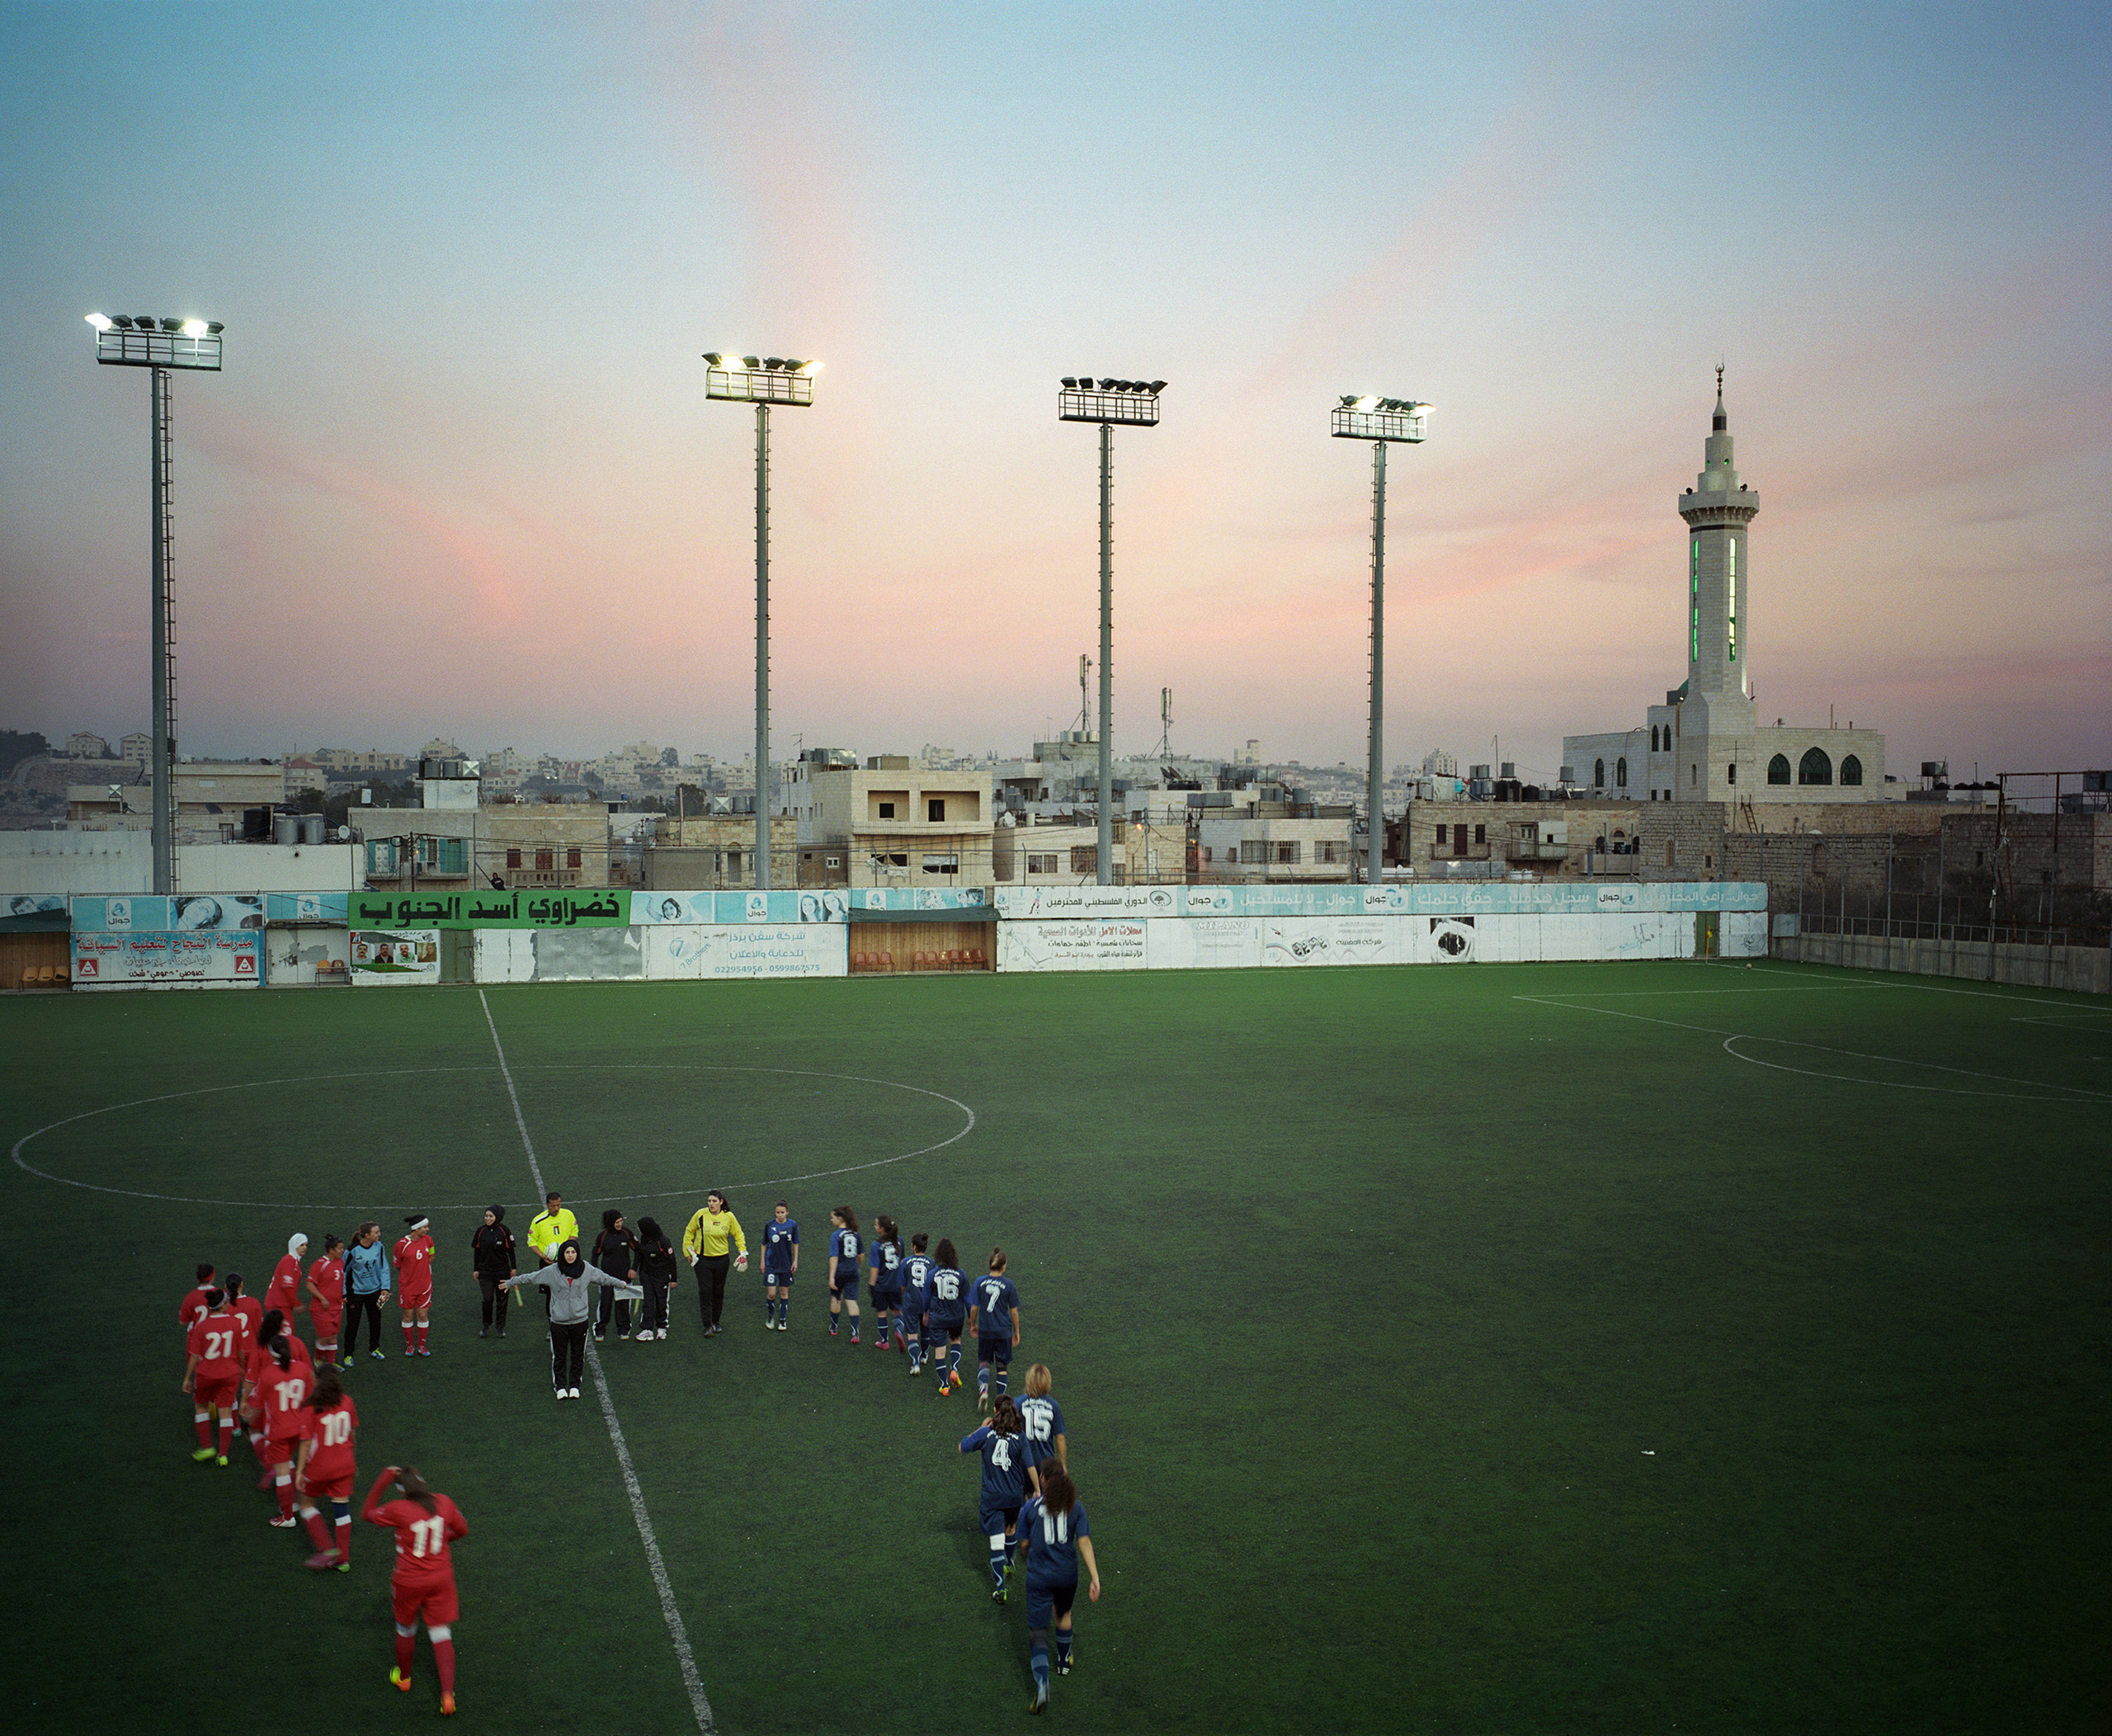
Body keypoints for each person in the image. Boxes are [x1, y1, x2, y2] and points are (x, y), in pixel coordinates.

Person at [362, 1464, 467, 1716]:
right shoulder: (444, 1502)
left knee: (405, 1628)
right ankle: (447, 1695)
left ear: (403, 1490)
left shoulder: (399, 1509)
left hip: (408, 1582)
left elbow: (367, 1513)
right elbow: (462, 1530)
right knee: (441, 1633)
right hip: (441, 1579)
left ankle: (405, 1678)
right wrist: (444, 1541)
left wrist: (384, 1478)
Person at [503, 1238, 641, 1399]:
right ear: (562, 1254)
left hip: (579, 1321)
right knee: (559, 1356)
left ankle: (575, 1385)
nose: (570, 1255)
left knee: (578, 1355)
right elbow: (531, 1277)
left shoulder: (586, 1269)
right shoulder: (552, 1271)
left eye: (573, 1252)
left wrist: (621, 1284)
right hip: (558, 1322)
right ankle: (560, 1386)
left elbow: (604, 1278)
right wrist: (510, 1283)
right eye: (567, 1252)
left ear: (577, 1253)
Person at [1017, 1464, 1101, 1715]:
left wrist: (1026, 1551)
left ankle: (1042, 1685)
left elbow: (1024, 1545)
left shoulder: (1030, 1508)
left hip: (1039, 1577)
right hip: (1067, 1576)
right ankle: (1064, 1661)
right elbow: (1084, 1541)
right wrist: (1095, 1577)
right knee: (1063, 1614)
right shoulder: (1076, 1507)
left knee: (1038, 1631)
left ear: (1043, 1480)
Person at [244, 1312, 317, 1528]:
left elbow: (256, 1407)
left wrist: (248, 1418)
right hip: (300, 1427)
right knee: (290, 1462)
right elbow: (311, 1397)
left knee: (282, 1472)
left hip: (278, 1429)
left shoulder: (267, 1375)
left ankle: (287, 1515)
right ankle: (293, 1503)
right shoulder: (303, 1369)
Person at [959, 1395, 1030, 1601]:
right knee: (1011, 1529)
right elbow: (1028, 1465)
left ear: (996, 1412)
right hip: (1014, 1497)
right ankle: (1010, 1563)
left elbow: (963, 1446)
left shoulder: (987, 1433)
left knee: (996, 1541)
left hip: (993, 1498)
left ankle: (1000, 1589)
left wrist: (980, 1428)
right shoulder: (1019, 1436)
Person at [295, 1365, 361, 1572]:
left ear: (316, 1381)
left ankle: (326, 1549)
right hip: (345, 1464)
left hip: (320, 1467)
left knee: (305, 1501)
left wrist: (299, 1471)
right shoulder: (347, 1401)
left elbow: (305, 1443)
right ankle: (343, 1560)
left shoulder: (311, 1407)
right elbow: (352, 1434)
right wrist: (353, 1461)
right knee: (342, 1508)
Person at [182, 1287, 250, 1465]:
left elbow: (195, 1356)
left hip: (206, 1375)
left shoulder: (201, 1327)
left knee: (201, 1407)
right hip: (229, 1374)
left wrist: (187, 1378)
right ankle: (223, 1455)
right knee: (225, 1411)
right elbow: (241, 1351)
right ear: (224, 1305)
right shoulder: (235, 1323)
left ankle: (206, 1447)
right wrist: (242, 1368)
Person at [682, 1190, 747, 1337]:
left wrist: (742, 1252)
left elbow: (738, 1234)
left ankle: (716, 1322)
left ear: (721, 1202)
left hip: (722, 1260)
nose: (711, 1204)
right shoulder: (700, 1214)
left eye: (714, 1201)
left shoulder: (728, 1217)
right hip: (703, 1261)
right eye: (709, 1201)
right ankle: (707, 1326)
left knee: (718, 1291)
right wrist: (688, 1252)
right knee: (705, 1291)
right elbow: (689, 1231)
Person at [968, 1248, 1024, 1412]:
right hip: (1003, 1331)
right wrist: (1016, 1331)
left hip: (986, 1330)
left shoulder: (979, 1281)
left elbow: (974, 1307)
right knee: (1001, 1367)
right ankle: (999, 1404)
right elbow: (1013, 1311)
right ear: (1004, 1266)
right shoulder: (1008, 1284)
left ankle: (983, 1391)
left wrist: (973, 1324)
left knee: (984, 1361)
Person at [340, 1223, 392, 1365]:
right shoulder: (352, 1251)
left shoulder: (379, 1246)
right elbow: (342, 1272)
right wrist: (344, 1294)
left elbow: (384, 1267)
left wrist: (385, 1288)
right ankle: (348, 1354)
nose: (379, 1234)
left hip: (375, 1292)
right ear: (367, 1235)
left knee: (375, 1322)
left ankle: (374, 1348)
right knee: (352, 1325)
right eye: (376, 1232)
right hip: (356, 1294)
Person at [922, 1238, 968, 1394]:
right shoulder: (961, 1274)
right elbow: (968, 1298)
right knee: (956, 1340)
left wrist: (926, 1313)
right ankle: (954, 1369)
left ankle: (944, 1385)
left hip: (938, 1317)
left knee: (939, 1351)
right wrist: (971, 1319)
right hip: (956, 1316)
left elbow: (925, 1298)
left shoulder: (932, 1274)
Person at [592, 1209, 640, 1342]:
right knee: (605, 1304)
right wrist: (595, 1274)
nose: (620, 1224)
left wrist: (633, 1269)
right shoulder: (603, 1236)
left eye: (621, 1221)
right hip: (606, 1278)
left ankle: (624, 1329)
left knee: (623, 1304)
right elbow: (595, 1255)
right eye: (617, 1222)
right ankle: (600, 1330)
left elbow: (638, 1250)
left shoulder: (627, 1233)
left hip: (624, 1277)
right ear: (610, 1222)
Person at [1018, 1363, 1068, 1490]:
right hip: (1046, 1464)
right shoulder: (1053, 1405)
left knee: (1023, 1500)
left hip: (1022, 1463)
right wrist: (1062, 1463)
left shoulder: (1018, 1403)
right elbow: (1060, 1437)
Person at [526, 1192, 578, 1317]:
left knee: (569, 1292)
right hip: (547, 1263)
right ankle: (552, 1325)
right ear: (547, 1205)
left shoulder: (568, 1215)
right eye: (553, 1206)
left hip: (567, 1261)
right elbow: (532, 1242)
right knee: (551, 1296)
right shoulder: (538, 1221)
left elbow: (574, 1233)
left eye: (558, 1205)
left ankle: (569, 1320)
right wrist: (542, 1256)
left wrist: (567, 1251)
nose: (556, 1208)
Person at [470, 1206, 516, 1338]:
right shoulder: (481, 1231)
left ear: (497, 1217)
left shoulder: (504, 1231)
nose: (487, 1219)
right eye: (486, 1216)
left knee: (502, 1301)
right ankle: (486, 1325)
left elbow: (511, 1252)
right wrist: (476, 1269)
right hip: (485, 1273)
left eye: (490, 1216)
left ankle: (500, 1327)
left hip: (502, 1273)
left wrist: (513, 1268)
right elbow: (477, 1252)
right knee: (488, 1299)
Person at [394, 1215, 436, 1356]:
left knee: (422, 1315)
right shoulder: (401, 1245)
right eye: (425, 1227)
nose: (427, 1230)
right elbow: (398, 1265)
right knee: (408, 1316)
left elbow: (432, 1256)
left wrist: (422, 1268)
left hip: (425, 1286)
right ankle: (410, 1346)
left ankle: (422, 1346)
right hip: (407, 1287)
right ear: (416, 1229)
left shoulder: (428, 1240)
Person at [634, 1215, 678, 1339]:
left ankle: (662, 1327)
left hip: (661, 1276)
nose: (638, 1229)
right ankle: (647, 1329)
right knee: (648, 1302)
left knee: (661, 1301)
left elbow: (672, 1260)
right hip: (647, 1275)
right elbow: (640, 1255)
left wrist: (674, 1279)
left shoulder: (663, 1241)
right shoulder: (644, 1239)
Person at [868, 1215, 905, 1355]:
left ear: (882, 1229)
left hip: (882, 1285)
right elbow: (901, 1263)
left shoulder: (876, 1245)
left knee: (882, 1313)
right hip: (896, 1284)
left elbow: (874, 1268)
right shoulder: (899, 1241)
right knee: (897, 1311)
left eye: (876, 1225)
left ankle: (884, 1342)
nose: (875, 1227)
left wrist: (872, 1285)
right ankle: (899, 1331)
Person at [306, 1235, 346, 1366]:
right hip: (321, 1309)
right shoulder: (319, 1264)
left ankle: (330, 1364)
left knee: (334, 1336)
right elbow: (309, 1284)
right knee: (326, 1337)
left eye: (342, 1248)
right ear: (331, 1250)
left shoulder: (340, 1262)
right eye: (339, 1248)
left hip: (337, 1307)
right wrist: (322, 1298)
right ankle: (318, 1358)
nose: (342, 1251)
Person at [761, 1200, 799, 1331]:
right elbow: (764, 1244)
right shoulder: (769, 1225)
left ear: (787, 1212)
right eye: (778, 1212)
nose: (780, 1215)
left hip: (786, 1264)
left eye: (782, 1212)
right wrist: (762, 1262)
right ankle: (770, 1316)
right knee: (771, 1293)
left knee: (784, 1292)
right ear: (775, 1213)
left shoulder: (792, 1225)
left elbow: (796, 1243)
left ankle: (782, 1320)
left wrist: (795, 1260)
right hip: (771, 1264)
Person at [826, 1207, 862, 1342]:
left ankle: (834, 1327)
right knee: (852, 1301)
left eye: (833, 1217)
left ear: (840, 1218)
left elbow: (834, 1257)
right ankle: (855, 1333)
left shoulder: (836, 1236)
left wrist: (831, 1276)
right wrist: (857, 1266)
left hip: (840, 1272)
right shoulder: (855, 1234)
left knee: (836, 1298)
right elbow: (861, 1254)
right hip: (853, 1271)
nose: (831, 1220)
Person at [902, 1234, 934, 1377]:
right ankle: (924, 1355)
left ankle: (915, 1364)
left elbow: (902, 1285)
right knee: (925, 1329)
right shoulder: (932, 1263)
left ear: (914, 1247)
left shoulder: (906, 1262)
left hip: (911, 1303)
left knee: (912, 1334)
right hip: (927, 1303)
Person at [264, 1234, 308, 1326]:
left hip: (280, 1305)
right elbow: (286, 1286)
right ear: (294, 1246)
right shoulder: (289, 1260)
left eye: (306, 1245)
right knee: (285, 1336)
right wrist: (297, 1303)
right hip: (278, 1305)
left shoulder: (294, 1261)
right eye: (301, 1245)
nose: (304, 1248)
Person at [177, 1262, 216, 1334]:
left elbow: (182, 1321)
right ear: (212, 1277)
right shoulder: (221, 1294)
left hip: (196, 1338)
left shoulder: (190, 1297)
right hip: (216, 1335)